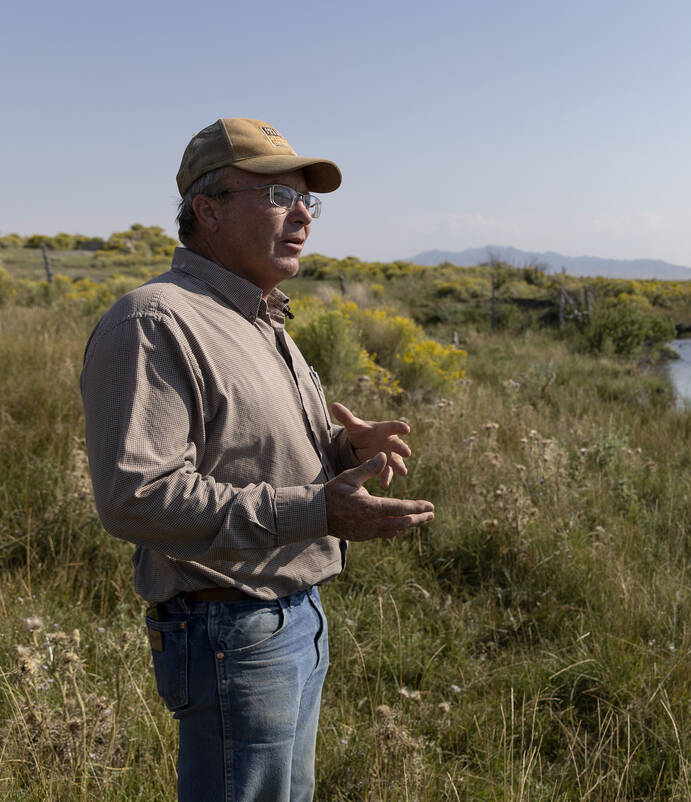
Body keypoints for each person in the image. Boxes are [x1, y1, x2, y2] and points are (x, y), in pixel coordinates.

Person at [80, 118, 435, 802]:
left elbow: (247, 456)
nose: (302, 214)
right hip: (228, 631)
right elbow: (136, 497)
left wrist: (340, 452)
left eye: (308, 201)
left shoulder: (259, 315)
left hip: (290, 617)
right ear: (207, 211)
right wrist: (317, 508)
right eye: (277, 196)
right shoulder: (155, 322)